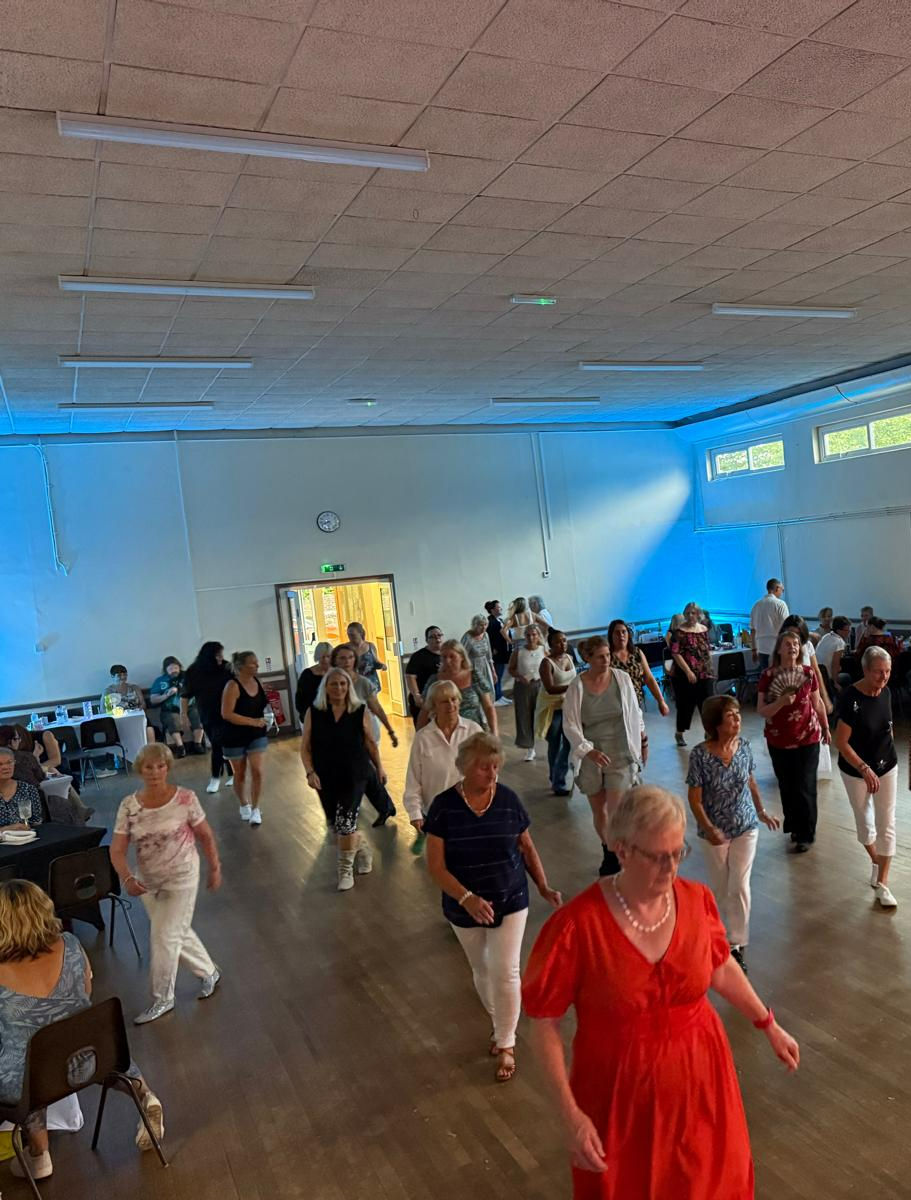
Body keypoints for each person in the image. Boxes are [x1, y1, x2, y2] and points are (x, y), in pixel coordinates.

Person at [522, 785, 799, 1200]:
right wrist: (569, 1115)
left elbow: (719, 967)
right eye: (658, 856)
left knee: (712, 1183)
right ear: (622, 849)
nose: (671, 868)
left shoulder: (696, 900)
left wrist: (768, 1024)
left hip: (702, 1078)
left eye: (677, 853)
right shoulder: (577, 927)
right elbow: (543, 1022)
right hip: (618, 1095)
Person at [0, 880, 165, 1180]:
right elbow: (84, 995)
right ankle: (145, 1095)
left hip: (32, 1083)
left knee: (21, 1060)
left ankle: (39, 1154)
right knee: (60, 1043)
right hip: (90, 1061)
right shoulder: (71, 945)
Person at [424, 732, 561, 1083]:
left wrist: (543, 885)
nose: (492, 773)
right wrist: (467, 898)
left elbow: (527, 848)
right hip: (463, 906)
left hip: (511, 897)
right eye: (485, 767)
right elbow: (436, 867)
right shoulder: (443, 807)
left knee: (506, 970)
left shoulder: (509, 801)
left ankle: (505, 1042)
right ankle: (501, 1021)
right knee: (482, 970)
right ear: (466, 768)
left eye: (496, 766)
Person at [111, 742, 221, 1025]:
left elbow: (206, 836)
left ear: (168, 768)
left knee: (164, 936)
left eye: (160, 766)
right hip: (148, 881)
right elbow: (117, 849)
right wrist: (127, 878)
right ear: (140, 769)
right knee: (174, 931)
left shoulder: (185, 798)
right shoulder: (129, 805)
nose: (155, 772)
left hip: (182, 875)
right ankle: (209, 971)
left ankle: (162, 997)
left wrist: (215, 869)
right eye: (148, 767)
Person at [686, 696, 779, 975]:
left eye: (738, 714)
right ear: (716, 722)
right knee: (721, 886)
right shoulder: (700, 755)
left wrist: (761, 811)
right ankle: (717, 931)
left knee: (738, 883)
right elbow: (695, 798)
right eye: (731, 715)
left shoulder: (745, 747)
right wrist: (709, 827)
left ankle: (736, 943)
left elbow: (750, 781)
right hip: (714, 830)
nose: (737, 719)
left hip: (745, 826)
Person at [562, 636, 645, 878]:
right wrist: (588, 750)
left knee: (616, 808)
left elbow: (634, 710)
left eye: (608, 655)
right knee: (600, 810)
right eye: (600, 656)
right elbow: (571, 725)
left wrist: (643, 738)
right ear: (587, 658)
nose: (606, 660)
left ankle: (619, 853)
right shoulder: (576, 687)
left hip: (619, 749)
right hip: (590, 752)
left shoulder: (622, 679)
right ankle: (610, 851)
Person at [300, 667, 385, 891]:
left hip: (355, 774)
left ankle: (345, 870)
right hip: (325, 775)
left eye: (343, 684)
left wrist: (380, 768)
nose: (339, 688)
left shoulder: (359, 710)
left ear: (349, 687)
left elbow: (370, 744)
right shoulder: (315, 711)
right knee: (337, 825)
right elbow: (305, 746)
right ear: (325, 688)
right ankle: (363, 848)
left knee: (345, 822)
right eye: (334, 684)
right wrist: (310, 771)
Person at [834, 646, 899, 909]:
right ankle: (875, 859)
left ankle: (883, 883)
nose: (883, 678)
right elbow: (841, 742)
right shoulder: (851, 698)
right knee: (864, 824)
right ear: (865, 670)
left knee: (888, 822)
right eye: (878, 672)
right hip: (855, 769)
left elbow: (888, 730)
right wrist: (864, 768)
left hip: (887, 765)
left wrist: (887, 763)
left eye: (887, 672)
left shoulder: (887, 692)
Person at [757, 627, 830, 853]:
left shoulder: (808, 673)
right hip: (778, 739)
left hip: (808, 736)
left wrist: (826, 727)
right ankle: (795, 827)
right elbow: (761, 710)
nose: (792, 647)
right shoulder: (768, 676)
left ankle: (806, 833)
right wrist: (780, 703)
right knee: (787, 785)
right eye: (787, 644)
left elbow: (817, 703)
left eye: (796, 644)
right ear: (778, 649)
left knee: (806, 785)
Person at [403, 680, 481, 850]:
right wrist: (415, 813)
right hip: (436, 816)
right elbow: (413, 780)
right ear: (433, 706)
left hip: (470, 812)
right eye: (444, 701)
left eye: (454, 699)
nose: (451, 705)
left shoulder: (473, 731)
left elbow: (488, 770)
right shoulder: (423, 738)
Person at [330, 643, 398, 825]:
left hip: (365, 733)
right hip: (342, 737)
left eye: (350, 657)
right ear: (335, 660)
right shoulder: (330, 682)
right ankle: (385, 807)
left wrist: (390, 730)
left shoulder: (363, 683)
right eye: (342, 658)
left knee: (365, 771)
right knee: (365, 773)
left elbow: (376, 707)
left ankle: (349, 813)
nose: (346, 662)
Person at [221, 650, 269, 826]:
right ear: (241, 667)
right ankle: (244, 804)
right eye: (253, 663)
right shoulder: (232, 686)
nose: (257, 665)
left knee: (257, 769)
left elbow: (263, 705)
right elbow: (226, 714)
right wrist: (252, 721)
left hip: (256, 733)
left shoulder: (258, 682)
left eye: (257, 662)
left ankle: (256, 808)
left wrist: (265, 718)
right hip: (234, 735)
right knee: (239, 773)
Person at [182, 641, 235, 795]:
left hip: (229, 711)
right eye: (218, 655)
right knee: (218, 743)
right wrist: (183, 714)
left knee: (223, 744)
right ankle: (224, 775)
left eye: (221, 654)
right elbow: (185, 695)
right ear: (209, 656)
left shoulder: (226, 667)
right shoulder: (193, 671)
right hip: (208, 713)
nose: (221, 658)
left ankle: (217, 777)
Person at [418, 639, 498, 735]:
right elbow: (425, 711)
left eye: (452, 656)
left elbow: (488, 707)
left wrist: (494, 732)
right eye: (444, 657)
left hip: (473, 732)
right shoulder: (435, 680)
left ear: (462, 657)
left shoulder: (474, 676)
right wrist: (419, 735)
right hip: (445, 733)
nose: (447, 660)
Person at [537, 629, 577, 795]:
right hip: (552, 709)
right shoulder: (546, 663)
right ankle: (556, 780)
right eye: (559, 641)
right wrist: (573, 687)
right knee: (555, 745)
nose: (563, 644)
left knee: (568, 744)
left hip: (568, 707)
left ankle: (557, 778)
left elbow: (574, 678)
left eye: (565, 641)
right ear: (551, 644)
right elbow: (550, 688)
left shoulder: (569, 658)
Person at [669, 602, 714, 748]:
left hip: (704, 672)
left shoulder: (704, 629)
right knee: (685, 706)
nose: (690, 616)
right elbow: (675, 653)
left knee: (707, 703)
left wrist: (709, 669)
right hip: (684, 674)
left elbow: (706, 650)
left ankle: (709, 732)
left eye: (693, 613)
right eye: (687, 613)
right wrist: (688, 671)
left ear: (698, 614)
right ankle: (679, 732)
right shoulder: (678, 632)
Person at [607, 619, 669, 716]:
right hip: (616, 707)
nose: (621, 635)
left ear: (628, 634)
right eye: (617, 632)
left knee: (639, 730)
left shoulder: (636, 653)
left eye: (624, 631)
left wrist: (661, 701)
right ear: (611, 636)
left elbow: (649, 678)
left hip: (636, 703)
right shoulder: (607, 657)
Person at [149, 657, 204, 758]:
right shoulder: (160, 681)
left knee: (199, 716)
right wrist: (166, 695)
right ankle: (180, 747)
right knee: (172, 720)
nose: (174, 670)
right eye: (170, 669)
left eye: (176, 667)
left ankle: (197, 744)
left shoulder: (188, 676)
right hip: (170, 709)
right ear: (165, 670)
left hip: (190, 706)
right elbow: (153, 699)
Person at [779, 614, 832, 713]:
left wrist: (824, 696)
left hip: (809, 694)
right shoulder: (780, 647)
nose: (794, 637)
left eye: (797, 633)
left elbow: (816, 670)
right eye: (790, 633)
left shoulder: (807, 645)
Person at [509, 624, 546, 762]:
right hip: (523, 687)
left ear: (538, 636)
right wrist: (519, 676)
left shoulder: (543, 650)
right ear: (525, 636)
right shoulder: (519, 651)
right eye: (528, 635)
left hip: (540, 685)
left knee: (541, 714)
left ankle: (548, 742)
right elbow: (511, 669)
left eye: (534, 634)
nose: (531, 638)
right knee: (524, 716)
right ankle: (530, 747)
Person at [405, 626, 444, 723]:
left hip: (440, 699)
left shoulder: (446, 654)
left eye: (439, 635)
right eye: (433, 637)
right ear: (427, 640)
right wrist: (416, 695)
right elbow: (410, 676)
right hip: (423, 699)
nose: (437, 639)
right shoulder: (419, 656)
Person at [0, 747, 44, 829]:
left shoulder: (28, 789)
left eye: (9, 762)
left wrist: (26, 828)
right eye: (0, 764)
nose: (6, 767)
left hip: (26, 837)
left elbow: (36, 823)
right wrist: (5, 830)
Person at [749, 578, 789, 670]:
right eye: (782, 590)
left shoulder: (756, 605)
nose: (782, 592)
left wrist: (754, 650)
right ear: (777, 588)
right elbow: (786, 627)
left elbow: (752, 630)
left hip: (761, 648)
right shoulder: (780, 604)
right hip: (777, 648)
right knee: (778, 679)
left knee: (766, 678)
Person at [294, 641, 332, 721]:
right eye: (322, 656)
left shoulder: (336, 674)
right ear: (317, 656)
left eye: (328, 656)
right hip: (312, 716)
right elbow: (299, 699)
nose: (325, 659)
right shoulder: (307, 674)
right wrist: (306, 715)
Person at [816, 615, 852, 695]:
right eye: (847, 630)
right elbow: (835, 665)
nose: (849, 633)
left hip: (818, 673)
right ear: (839, 630)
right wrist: (836, 683)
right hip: (828, 677)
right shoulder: (839, 642)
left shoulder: (826, 636)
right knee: (847, 677)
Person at [346, 621, 386, 694]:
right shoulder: (346, 648)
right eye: (348, 635)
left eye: (353, 635)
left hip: (370, 683)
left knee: (372, 704)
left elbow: (375, 662)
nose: (350, 637)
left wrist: (382, 665)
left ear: (360, 633)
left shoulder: (370, 646)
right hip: (355, 685)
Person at [485, 601, 512, 705]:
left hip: (502, 652)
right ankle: (496, 697)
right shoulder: (491, 622)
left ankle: (500, 695)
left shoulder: (499, 620)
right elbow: (489, 638)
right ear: (492, 610)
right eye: (498, 607)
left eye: (501, 607)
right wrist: (493, 649)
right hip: (496, 654)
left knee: (499, 675)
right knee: (496, 675)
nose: (501, 609)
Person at [461, 615, 495, 689]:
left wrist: (493, 671)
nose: (484, 628)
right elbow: (462, 656)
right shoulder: (468, 637)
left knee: (488, 689)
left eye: (485, 625)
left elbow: (489, 655)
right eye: (481, 625)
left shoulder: (486, 635)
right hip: (473, 667)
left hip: (485, 666)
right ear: (474, 625)